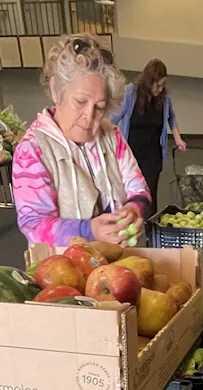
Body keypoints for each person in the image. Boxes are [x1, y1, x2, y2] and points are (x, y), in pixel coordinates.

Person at [12, 35, 151, 247]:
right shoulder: (32, 150)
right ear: (56, 90)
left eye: (100, 107)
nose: (89, 115)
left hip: (115, 265)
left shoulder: (112, 135)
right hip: (61, 272)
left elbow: (138, 188)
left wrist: (134, 209)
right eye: (80, 101)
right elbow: (34, 224)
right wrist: (90, 231)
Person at [110, 58, 185, 209]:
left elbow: (171, 117)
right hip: (132, 152)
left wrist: (178, 138)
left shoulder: (164, 100)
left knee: (151, 192)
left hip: (154, 154)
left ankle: (151, 226)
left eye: (164, 85)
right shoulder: (131, 93)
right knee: (132, 191)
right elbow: (114, 118)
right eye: (158, 85)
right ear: (149, 81)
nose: (161, 89)